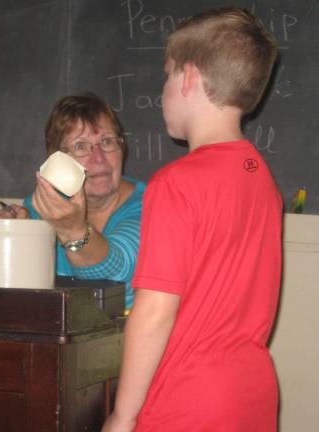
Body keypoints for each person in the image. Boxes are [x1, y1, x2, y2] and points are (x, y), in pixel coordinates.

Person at [102, 6, 282, 432]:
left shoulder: (176, 183)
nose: (163, 89)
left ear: (188, 77)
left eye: (166, 76)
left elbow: (153, 313)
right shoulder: (262, 179)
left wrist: (122, 416)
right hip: (252, 396)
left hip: (188, 402)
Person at [0, 93, 146, 311]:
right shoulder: (43, 206)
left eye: (107, 142)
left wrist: (73, 230)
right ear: (57, 160)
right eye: (81, 146)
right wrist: (16, 234)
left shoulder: (151, 204)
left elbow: (117, 269)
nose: (98, 158)